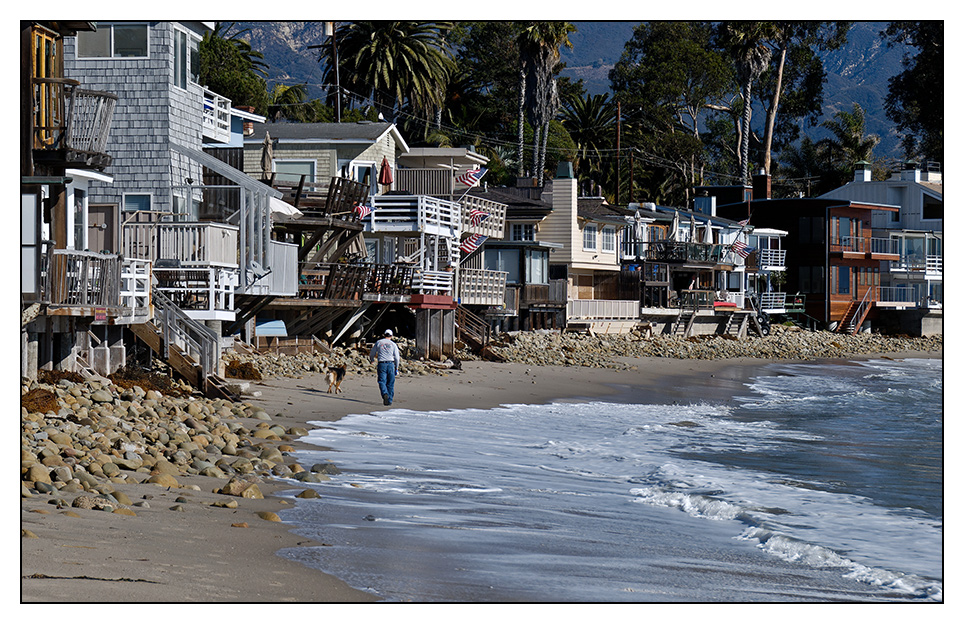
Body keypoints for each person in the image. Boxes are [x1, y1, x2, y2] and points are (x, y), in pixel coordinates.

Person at [369, 329, 401, 405]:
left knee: (382, 381)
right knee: (390, 382)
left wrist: (372, 359)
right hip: (391, 364)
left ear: (384, 335)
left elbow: (372, 353)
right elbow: (397, 357)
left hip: (381, 363)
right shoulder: (393, 344)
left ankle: (384, 393)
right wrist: (396, 367)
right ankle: (389, 400)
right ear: (391, 336)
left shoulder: (379, 342)